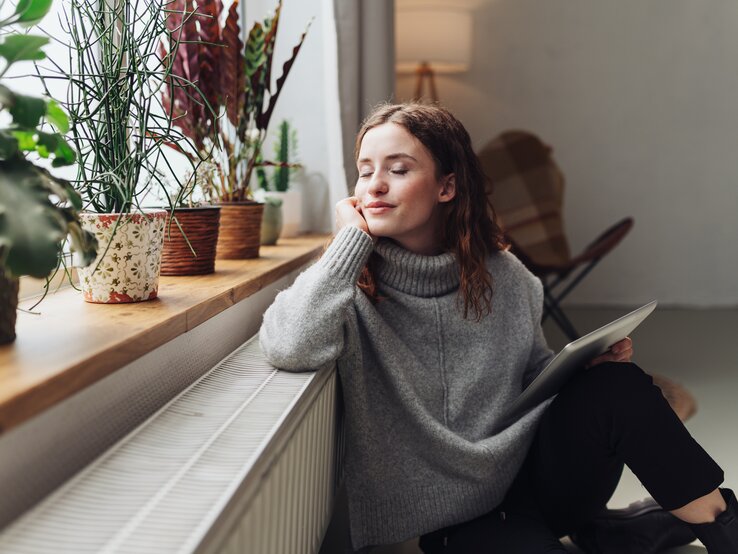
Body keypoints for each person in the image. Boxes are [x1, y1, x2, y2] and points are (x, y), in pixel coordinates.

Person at [259, 103, 738, 553]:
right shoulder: (345, 284)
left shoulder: (505, 275)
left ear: (447, 186)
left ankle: (721, 525)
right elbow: (288, 345)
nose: (374, 186)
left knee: (616, 384)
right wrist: (348, 244)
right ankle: (619, 530)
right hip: (449, 523)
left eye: (398, 169)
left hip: (532, 484)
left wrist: (578, 370)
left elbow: (529, 376)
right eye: (365, 171)